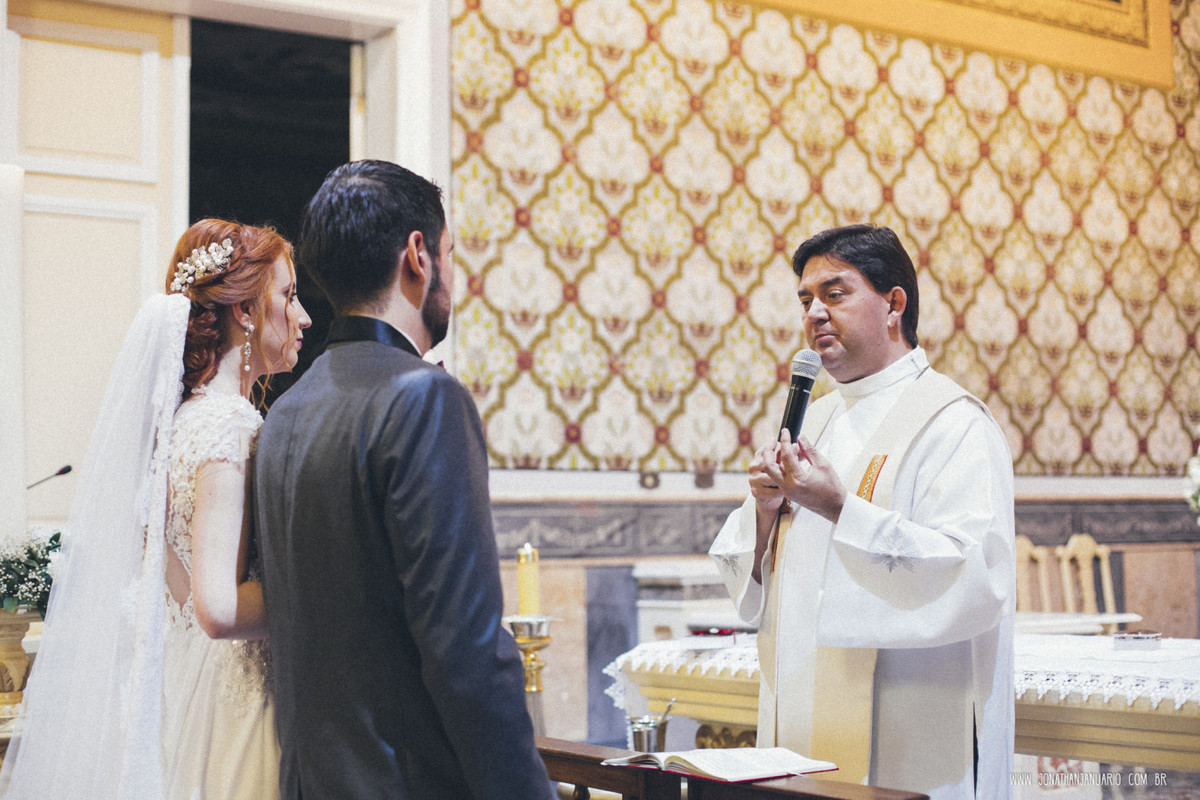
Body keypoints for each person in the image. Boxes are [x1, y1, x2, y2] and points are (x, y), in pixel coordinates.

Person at [253, 160, 553, 799]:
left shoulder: (287, 410)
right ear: (418, 255)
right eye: (449, 252)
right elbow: (466, 649)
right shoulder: (424, 397)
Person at [0, 219, 311, 799]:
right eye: (288, 296)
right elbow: (214, 606)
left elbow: (175, 582)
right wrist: (321, 596)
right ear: (244, 311)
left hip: (186, 687)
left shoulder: (179, 425)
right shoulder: (227, 427)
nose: (303, 317)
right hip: (234, 704)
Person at [709, 224, 1015, 800]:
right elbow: (758, 579)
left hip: (912, 736)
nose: (815, 314)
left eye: (835, 293)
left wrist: (839, 509)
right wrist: (765, 511)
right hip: (803, 722)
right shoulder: (815, 420)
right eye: (806, 300)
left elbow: (976, 572)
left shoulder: (953, 423)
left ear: (894, 302)